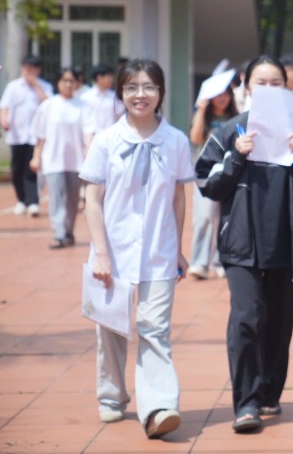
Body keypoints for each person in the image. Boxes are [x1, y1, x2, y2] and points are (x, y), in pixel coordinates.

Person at [195, 55, 293, 433]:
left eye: (276, 83)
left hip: (290, 246)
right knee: (247, 319)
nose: (268, 89)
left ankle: (270, 392)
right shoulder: (230, 132)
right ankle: (247, 403)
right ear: (246, 86)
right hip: (241, 246)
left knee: (279, 323)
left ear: (286, 89)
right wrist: (236, 159)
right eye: (261, 82)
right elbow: (207, 182)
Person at [79, 59, 193, 439]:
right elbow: (92, 198)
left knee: (154, 328)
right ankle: (111, 396)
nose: (139, 94)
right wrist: (100, 252)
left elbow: (178, 197)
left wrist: (177, 247)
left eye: (148, 87)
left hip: (159, 252)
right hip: (112, 251)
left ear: (160, 92)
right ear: (121, 94)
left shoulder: (175, 140)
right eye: (131, 87)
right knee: (110, 328)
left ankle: (159, 406)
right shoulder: (106, 140)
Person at [186, 78, 238, 279]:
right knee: (204, 217)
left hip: (229, 172)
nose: (222, 98)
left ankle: (220, 261)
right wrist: (200, 110)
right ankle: (199, 262)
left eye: (226, 94)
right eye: (217, 94)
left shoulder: (235, 117)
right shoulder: (203, 117)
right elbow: (195, 139)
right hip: (206, 173)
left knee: (226, 217)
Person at [30, 66, 87, 249]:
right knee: (56, 198)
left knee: (72, 200)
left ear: (77, 83)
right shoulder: (48, 105)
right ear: (58, 83)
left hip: (76, 161)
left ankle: (68, 231)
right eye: (65, 80)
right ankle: (59, 233)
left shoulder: (83, 106)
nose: (68, 84)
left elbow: (89, 132)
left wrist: (88, 150)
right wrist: (36, 157)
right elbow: (40, 135)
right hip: (53, 160)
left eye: (72, 81)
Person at [0, 54, 53, 216]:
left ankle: (33, 202)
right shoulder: (13, 87)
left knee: (32, 169)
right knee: (16, 169)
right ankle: (21, 200)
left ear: (38, 70)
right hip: (16, 135)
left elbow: (49, 104)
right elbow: (5, 106)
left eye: (32, 69)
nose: (28, 72)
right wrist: (4, 120)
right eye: (26, 68)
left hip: (35, 136)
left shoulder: (44, 86)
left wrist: (35, 86)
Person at [81, 63, 124, 150]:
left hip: (112, 139)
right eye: (109, 77)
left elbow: (119, 118)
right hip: (92, 139)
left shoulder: (115, 97)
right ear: (99, 77)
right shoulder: (86, 98)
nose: (111, 80)